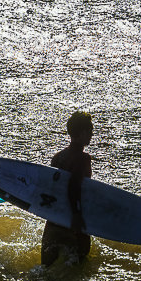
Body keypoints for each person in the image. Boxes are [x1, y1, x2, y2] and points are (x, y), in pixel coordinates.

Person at [42, 111, 94, 266]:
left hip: (54, 221)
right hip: (73, 223)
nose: (92, 134)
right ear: (83, 132)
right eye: (90, 131)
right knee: (79, 267)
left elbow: (52, 188)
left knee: (45, 268)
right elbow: (74, 186)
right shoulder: (83, 158)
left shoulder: (57, 157)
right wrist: (76, 215)